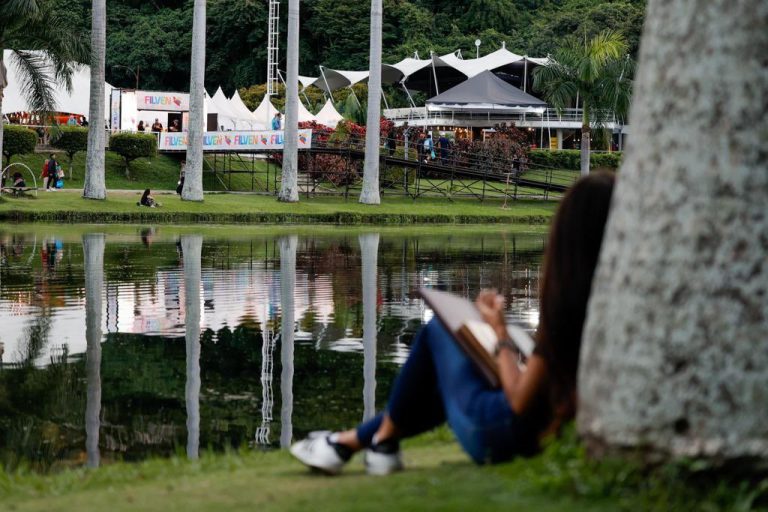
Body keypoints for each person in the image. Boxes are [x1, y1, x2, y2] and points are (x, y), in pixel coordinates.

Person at [290, 172, 616, 475]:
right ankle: (353, 443)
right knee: (448, 374)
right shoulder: (613, 306)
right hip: (542, 429)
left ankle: (377, 442)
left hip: (505, 435)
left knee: (438, 330)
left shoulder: (569, 310)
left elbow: (519, 401)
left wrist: (501, 335)